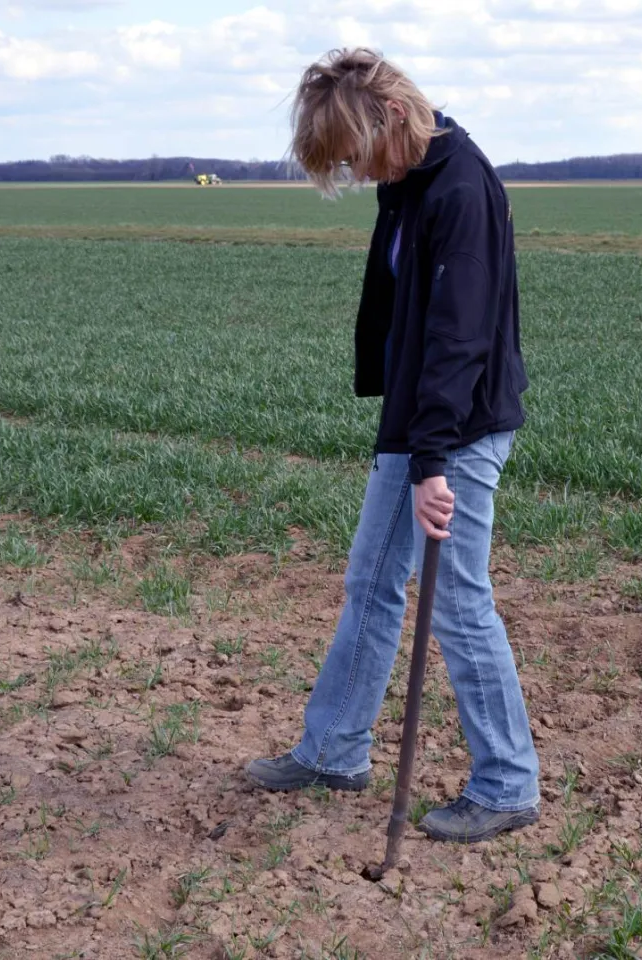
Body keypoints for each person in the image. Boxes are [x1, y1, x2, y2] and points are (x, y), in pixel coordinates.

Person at [245, 48, 541, 844]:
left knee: (456, 598)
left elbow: (459, 337)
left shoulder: (461, 190)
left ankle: (508, 782)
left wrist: (433, 461)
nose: (361, 174)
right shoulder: (408, 180)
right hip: (416, 421)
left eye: (358, 156)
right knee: (372, 581)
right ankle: (334, 750)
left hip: (459, 426)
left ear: (397, 120)